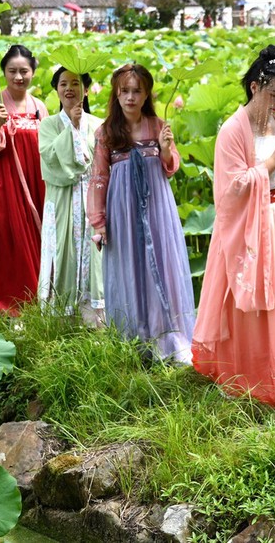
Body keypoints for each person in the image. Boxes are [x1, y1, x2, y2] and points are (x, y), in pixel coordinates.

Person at [192, 45, 275, 412]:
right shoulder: (232, 131)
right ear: (255, 87)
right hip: (248, 229)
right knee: (250, 305)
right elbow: (230, 190)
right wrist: (269, 163)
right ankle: (250, 380)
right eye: (274, 94)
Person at [88, 64, 196, 363]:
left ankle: (169, 335)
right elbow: (99, 177)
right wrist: (99, 222)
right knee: (130, 266)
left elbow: (171, 167)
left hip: (157, 205)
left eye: (137, 91)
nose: (131, 97)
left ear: (146, 93)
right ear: (116, 94)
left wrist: (165, 148)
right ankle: (135, 336)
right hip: (122, 208)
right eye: (125, 91)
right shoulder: (106, 131)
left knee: (162, 263)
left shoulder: (158, 125)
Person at [0, 45, 47, 315]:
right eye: (12, 71)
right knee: (7, 236)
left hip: (35, 181)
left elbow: (48, 144)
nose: (19, 77)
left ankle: (38, 292)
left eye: (24, 71)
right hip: (3, 183)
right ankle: (9, 297)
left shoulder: (39, 106)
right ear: (4, 72)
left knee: (38, 235)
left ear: (33, 72)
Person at [38, 65, 104, 325]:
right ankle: (61, 321)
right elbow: (52, 161)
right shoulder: (48, 125)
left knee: (95, 257)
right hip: (62, 199)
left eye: (75, 83)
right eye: (63, 84)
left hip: (92, 199)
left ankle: (95, 319)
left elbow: (99, 163)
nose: (69, 89)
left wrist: (80, 127)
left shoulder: (99, 124)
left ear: (86, 90)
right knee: (62, 251)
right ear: (56, 90)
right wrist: (72, 128)